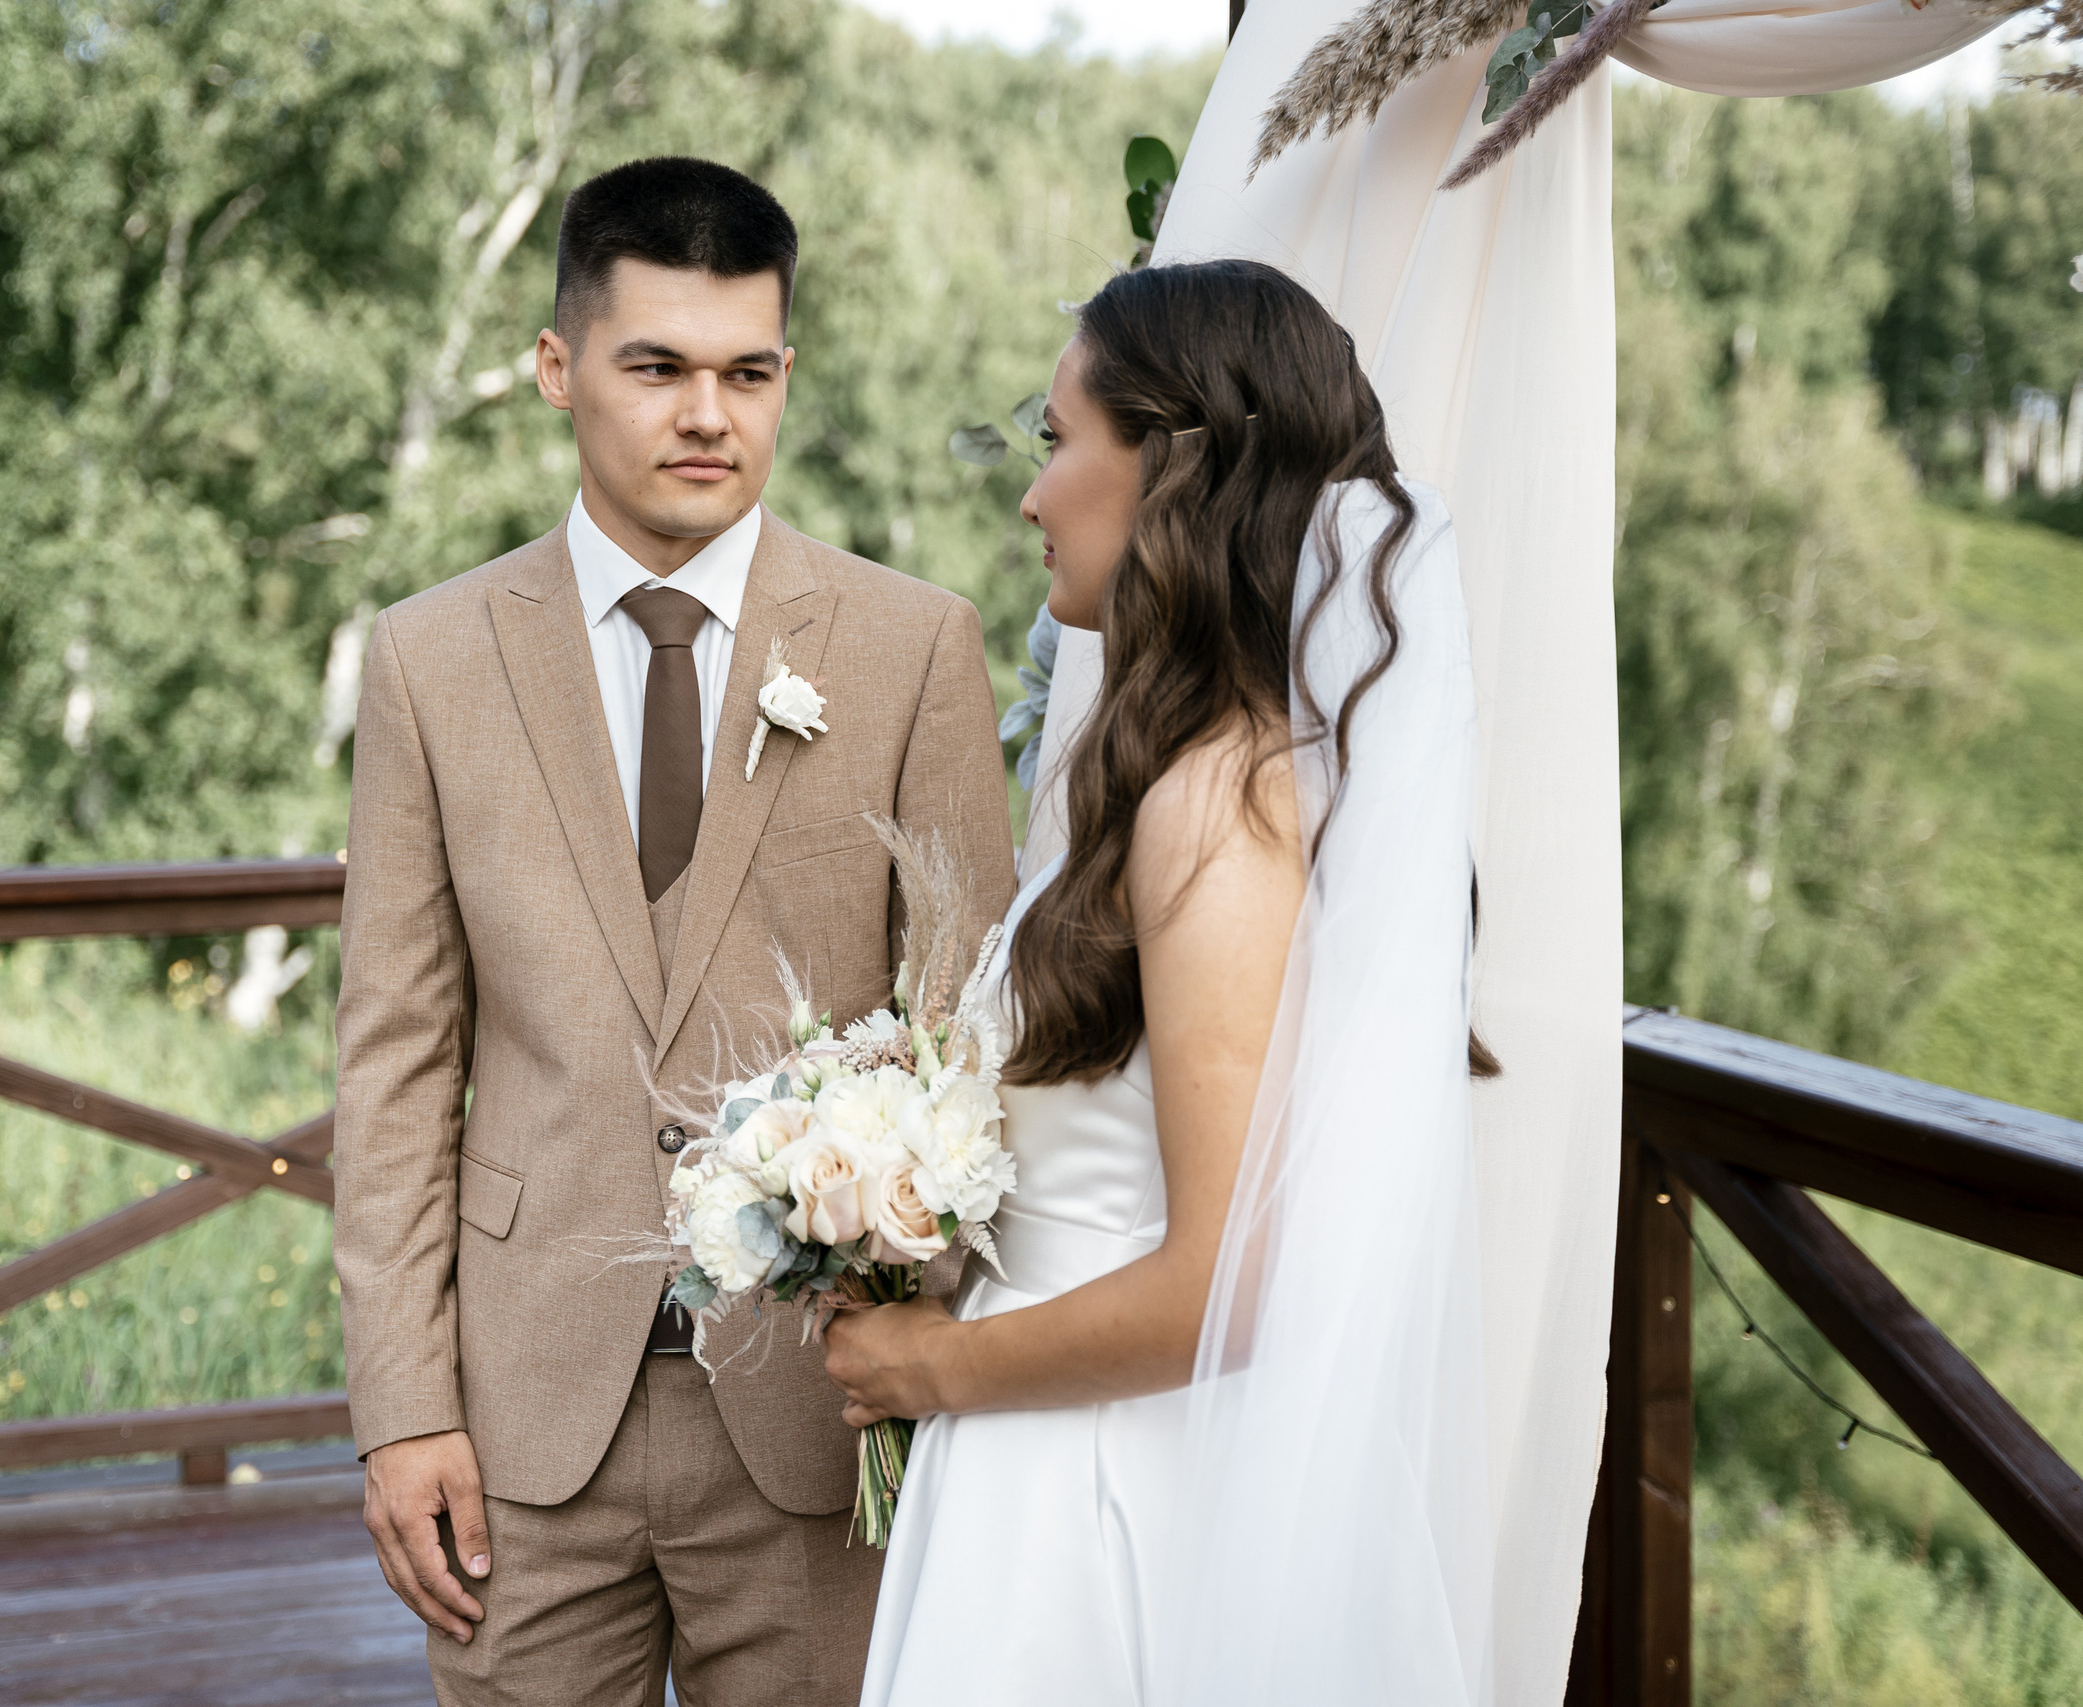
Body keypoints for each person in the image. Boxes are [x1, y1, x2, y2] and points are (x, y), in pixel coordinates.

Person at [332, 156, 1015, 1707]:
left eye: (747, 372)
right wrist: (402, 1409)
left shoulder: (915, 650)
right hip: (514, 1431)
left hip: (817, 1420)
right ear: (560, 369)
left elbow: (977, 1045)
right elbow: (390, 1065)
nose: (708, 414)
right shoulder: (429, 661)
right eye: (658, 368)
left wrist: (938, 1361)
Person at [828, 258, 1496, 1704]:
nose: (1032, 493)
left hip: (1099, 1492)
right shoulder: (1185, 766)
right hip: (1050, 1443)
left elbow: (1228, 1284)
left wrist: (924, 1365)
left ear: (1171, 470)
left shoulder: (1214, 799)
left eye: (1063, 442)